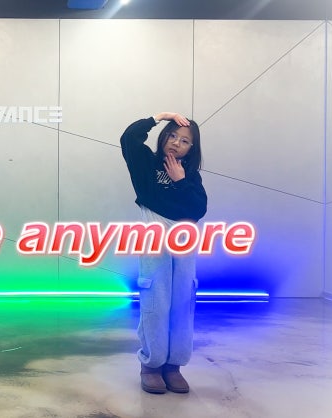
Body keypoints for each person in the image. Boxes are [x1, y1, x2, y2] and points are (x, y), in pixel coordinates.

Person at [119, 112, 207, 394]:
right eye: (172, 135)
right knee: (156, 299)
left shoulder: (190, 176)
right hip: (154, 232)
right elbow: (129, 138)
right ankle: (152, 365)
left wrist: (180, 180)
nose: (176, 143)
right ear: (164, 136)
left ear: (191, 149)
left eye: (185, 141)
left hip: (183, 239)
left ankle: (174, 366)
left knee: (182, 300)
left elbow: (198, 209)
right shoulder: (146, 164)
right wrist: (161, 116)